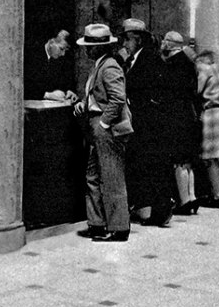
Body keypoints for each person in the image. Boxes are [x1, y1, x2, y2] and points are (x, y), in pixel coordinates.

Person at [73, 23, 133, 242]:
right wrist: (84, 104)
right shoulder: (100, 65)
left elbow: (117, 98)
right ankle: (97, 223)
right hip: (98, 124)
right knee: (94, 175)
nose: (86, 49)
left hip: (108, 128)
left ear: (100, 47)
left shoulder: (109, 66)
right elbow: (99, 95)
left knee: (111, 177)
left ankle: (119, 227)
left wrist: (104, 124)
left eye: (90, 45)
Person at [118, 18, 175, 226]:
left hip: (148, 125)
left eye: (127, 40)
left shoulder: (148, 60)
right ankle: (149, 210)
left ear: (138, 40)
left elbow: (141, 90)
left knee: (149, 167)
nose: (124, 44)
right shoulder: (143, 59)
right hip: (145, 124)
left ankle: (153, 211)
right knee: (147, 167)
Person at [159, 31, 201, 215]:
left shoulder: (172, 65)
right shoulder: (189, 63)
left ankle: (184, 201)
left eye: (164, 41)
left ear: (170, 44)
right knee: (188, 162)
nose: (162, 43)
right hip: (190, 114)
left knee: (178, 161)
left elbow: (168, 93)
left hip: (177, 116)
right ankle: (192, 198)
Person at [194, 50, 219, 209]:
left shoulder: (203, 68)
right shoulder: (216, 68)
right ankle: (218, 193)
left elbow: (197, 90)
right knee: (215, 157)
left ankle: (217, 195)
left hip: (210, 113)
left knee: (208, 157)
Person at [29, 30, 78, 102]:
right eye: (61, 49)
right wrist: (47, 95)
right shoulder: (32, 55)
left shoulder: (58, 60)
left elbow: (60, 83)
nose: (63, 54)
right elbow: (27, 87)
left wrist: (67, 92)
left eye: (65, 50)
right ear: (51, 42)